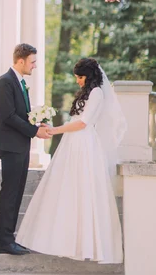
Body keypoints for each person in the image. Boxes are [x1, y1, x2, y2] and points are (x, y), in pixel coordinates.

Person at [16, 58, 126, 264]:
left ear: (89, 76)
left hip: (84, 145)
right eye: (76, 77)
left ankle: (85, 243)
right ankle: (67, 240)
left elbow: (83, 123)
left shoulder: (97, 93)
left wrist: (55, 130)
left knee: (83, 191)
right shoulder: (87, 93)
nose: (78, 81)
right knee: (67, 189)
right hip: (73, 143)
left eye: (80, 77)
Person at [0, 43, 50, 255]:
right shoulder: (5, 82)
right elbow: (8, 116)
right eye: (32, 62)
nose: (34, 66)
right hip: (11, 146)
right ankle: (4, 242)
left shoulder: (20, 82)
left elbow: (21, 114)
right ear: (21, 60)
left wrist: (37, 123)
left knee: (16, 193)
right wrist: (35, 132)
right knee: (10, 193)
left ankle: (10, 238)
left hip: (20, 145)